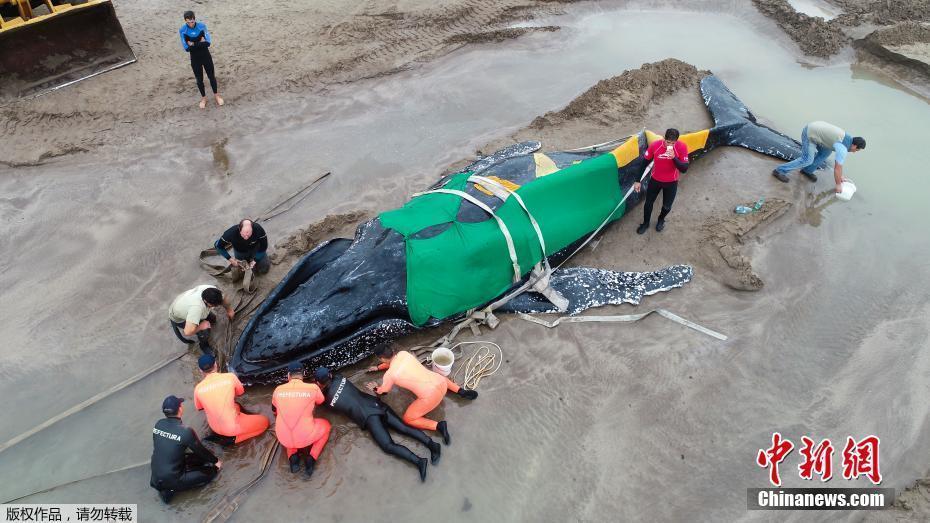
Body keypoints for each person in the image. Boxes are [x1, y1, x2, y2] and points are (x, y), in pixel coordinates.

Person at [313, 367, 440, 482]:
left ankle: (419, 462)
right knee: (403, 428)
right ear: (330, 374)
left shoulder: (327, 400)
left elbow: (323, 402)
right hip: (376, 404)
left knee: (388, 446)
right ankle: (432, 445)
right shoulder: (340, 377)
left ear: (318, 383)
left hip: (369, 417)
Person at [366, 347, 477, 443]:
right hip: (442, 383)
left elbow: (383, 392)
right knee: (436, 377)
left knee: (408, 419)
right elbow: (394, 363)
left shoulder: (389, 375)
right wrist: (378, 367)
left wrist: (375, 387)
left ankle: (438, 426)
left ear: (381, 358)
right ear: (392, 351)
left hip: (431, 398)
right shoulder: (403, 354)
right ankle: (461, 391)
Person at [150, 395, 222, 504]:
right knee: (211, 471)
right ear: (180, 409)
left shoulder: (158, 424)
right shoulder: (185, 432)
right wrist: (216, 462)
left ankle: (168, 487)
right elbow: (201, 451)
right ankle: (171, 490)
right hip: (173, 480)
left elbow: (165, 446)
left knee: (192, 457)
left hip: (155, 478)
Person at [194, 354, 269, 445]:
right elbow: (240, 392)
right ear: (216, 365)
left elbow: (200, 408)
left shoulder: (198, 389)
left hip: (214, 427)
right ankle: (232, 440)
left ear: (201, 370)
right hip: (232, 427)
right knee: (265, 422)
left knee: (236, 406)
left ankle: (224, 433)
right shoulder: (230, 377)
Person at [272, 362, 331, 477]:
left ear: (288, 376)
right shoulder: (313, 388)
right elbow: (321, 401)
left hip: (283, 437)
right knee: (326, 426)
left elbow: (275, 411)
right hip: (305, 436)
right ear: (303, 374)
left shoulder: (278, 390)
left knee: (287, 426)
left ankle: (293, 458)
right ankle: (312, 458)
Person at [772, 121, 865, 193]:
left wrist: (840, 176)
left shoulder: (848, 139)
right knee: (807, 159)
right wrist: (838, 185)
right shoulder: (842, 148)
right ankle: (779, 171)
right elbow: (838, 168)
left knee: (825, 154)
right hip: (810, 133)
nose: (854, 152)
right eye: (857, 150)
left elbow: (839, 168)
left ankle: (807, 170)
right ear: (854, 145)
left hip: (818, 132)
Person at [634, 128, 690, 234]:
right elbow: (644, 164)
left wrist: (674, 157)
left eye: (673, 143)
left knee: (667, 206)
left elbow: (684, 169)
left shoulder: (682, 147)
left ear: (677, 141)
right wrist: (637, 181)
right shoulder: (655, 145)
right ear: (664, 138)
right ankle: (645, 223)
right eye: (668, 142)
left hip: (671, 182)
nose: (670, 145)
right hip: (655, 180)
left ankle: (661, 219)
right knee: (648, 203)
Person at [168, 285, 234, 355]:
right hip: (179, 318)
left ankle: (204, 321)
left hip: (184, 303)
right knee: (204, 332)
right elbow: (187, 332)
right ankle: (204, 346)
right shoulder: (196, 309)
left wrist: (229, 310)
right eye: (214, 305)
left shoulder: (212, 290)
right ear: (206, 302)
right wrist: (201, 326)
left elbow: (223, 299)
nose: (216, 306)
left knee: (212, 319)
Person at [179, 10, 224, 109]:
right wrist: (200, 41)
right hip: (195, 58)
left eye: (192, 21)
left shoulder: (202, 26)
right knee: (199, 79)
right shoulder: (182, 30)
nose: (191, 23)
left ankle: (216, 95)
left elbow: (208, 43)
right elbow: (187, 48)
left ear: (195, 19)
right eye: (188, 22)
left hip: (205, 55)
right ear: (185, 21)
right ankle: (204, 98)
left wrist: (193, 43)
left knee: (211, 76)